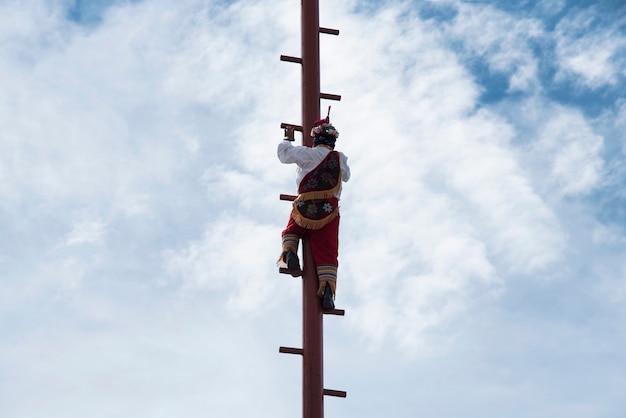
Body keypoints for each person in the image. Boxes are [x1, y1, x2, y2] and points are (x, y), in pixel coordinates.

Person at [277, 117, 350, 309]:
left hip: (305, 204)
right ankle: (327, 290)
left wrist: (288, 138)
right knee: (328, 251)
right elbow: (347, 176)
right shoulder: (340, 158)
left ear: (316, 139)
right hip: (329, 210)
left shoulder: (306, 154)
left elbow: (283, 155)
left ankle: (290, 252)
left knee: (291, 229)